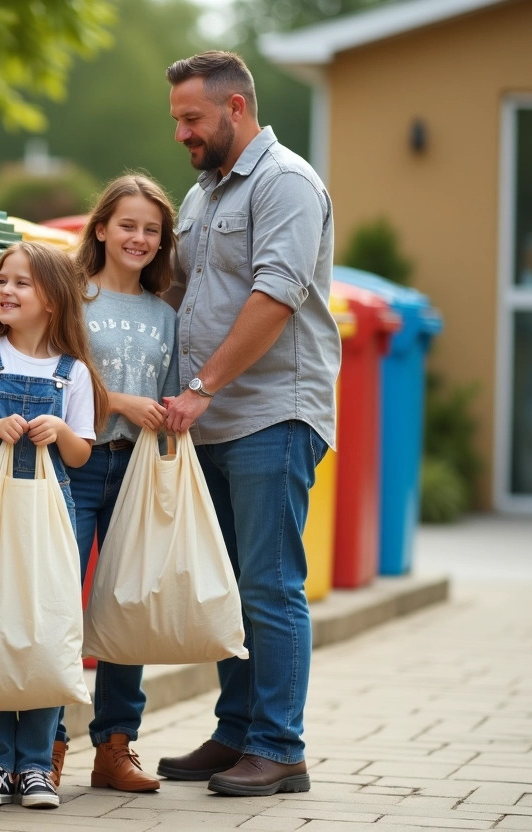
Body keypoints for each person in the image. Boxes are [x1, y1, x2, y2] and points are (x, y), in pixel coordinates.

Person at [156, 51, 341, 797]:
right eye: (176, 120)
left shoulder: (286, 183)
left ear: (236, 109)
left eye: (192, 119)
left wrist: (201, 385)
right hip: (213, 421)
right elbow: (178, 293)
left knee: (268, 585)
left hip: (272, 413)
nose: (181, 134)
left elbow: (275, 295)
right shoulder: (202, 196)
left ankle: (279, 747)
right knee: (227, 589)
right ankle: (236, 734)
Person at [0, 240, 108, 810]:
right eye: (2, 281)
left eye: (21, 283)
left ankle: (35, 765)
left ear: (52, 301)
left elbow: (81, 454)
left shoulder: (74, 372)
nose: (5, 291)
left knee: (42, 626)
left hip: (47, 511)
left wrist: (59, 430)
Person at [50, 173, 180, 793]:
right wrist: (124, 401)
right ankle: (46, 744)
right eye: (127, 225)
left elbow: (170, 395)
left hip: (138, 472)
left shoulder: (165, 314)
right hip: (76, 465)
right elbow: (53, 375)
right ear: (99, 229)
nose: (139, 237)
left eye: (151, 229)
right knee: (57, 600)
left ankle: (115, 748)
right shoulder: (72, 298)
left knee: (127, 607)